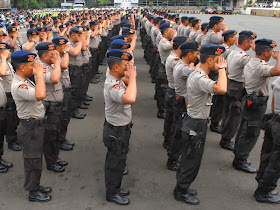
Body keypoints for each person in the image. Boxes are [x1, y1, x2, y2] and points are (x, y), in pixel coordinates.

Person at [174, 44, 227, 205]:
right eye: (217, 61)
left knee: (191, 157)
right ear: (210, 60)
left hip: (195, 121)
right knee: (191, 159)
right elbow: (222, 89)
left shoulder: (198, 73)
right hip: (195, 124)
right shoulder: (200, 77)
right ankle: (181, 190)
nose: (219, 63)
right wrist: (223, 69)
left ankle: (183, 186)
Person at [233, 39, 280, 173]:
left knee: (244, 128)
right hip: (256, 102)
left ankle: (238, 154)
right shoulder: (260, 67)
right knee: (251, 133)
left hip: (249, 97)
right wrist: (279, 58)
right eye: (270, 53)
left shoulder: (251, 62)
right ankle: (240, 160)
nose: (272, 55)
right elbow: (278, 70)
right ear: (265, 53)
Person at [11, 50, 52, 202]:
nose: (34, 67)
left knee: (36, 159)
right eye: (31, 65)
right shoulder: (19, 85)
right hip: (30, 127)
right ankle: (32, 191)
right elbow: (40, 95)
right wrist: (40, 74)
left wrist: (36, 74)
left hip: (35, 126)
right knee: (32, 160)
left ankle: (36, 185)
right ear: (22, 68)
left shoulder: (26, 79)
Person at [103, 49, 136, 205]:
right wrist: (134, 78)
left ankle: (116, 187)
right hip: (116, 130)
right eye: (125, 65)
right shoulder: (112, 85)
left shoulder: (118, 79)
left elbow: (129, 86)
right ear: (116, 67)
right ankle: (112, 192)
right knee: (115, 162)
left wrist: (130, 75)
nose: (127, 68)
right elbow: (130, 98)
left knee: (120, 159)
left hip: (121, 128)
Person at [220, 31, 256, 151]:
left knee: (227, 111)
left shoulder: (232, 52)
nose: (251, 45)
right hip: (237, 86)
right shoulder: (243, 57)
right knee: (235, 115)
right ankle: (226, 139)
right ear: (245, 42)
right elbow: (256, 66)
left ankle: (224, 132)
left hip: (229, 82)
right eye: (251, 43)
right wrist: (257, 51)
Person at [35, 42, 66, 173]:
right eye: (52, 54)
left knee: (56, 133)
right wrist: (57, 62)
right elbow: (54, 79)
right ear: (45, 56)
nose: (55, 55)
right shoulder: (40, 67)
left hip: (56, 105)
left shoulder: (50, 65)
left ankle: (55, 157)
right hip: (49, 106)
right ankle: (51, 162)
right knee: (49, 135)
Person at [253, 76, 280, 204]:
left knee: (267, 155)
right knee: (276, 162)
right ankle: (264, 191)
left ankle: (261, 182)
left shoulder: (278, 81)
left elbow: (274, 103)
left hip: (274, 120)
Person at [165, 35, 189, 169]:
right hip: (175, 93)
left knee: (172, 121)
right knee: (175, 124)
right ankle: (171, 151)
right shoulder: (175, 60)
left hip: (173, 92)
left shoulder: (175, 58)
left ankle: (168, 142)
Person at [52, 37, 75, 151]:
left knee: (65, 117)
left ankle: (62, 138)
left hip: (66, 88)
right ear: (57, 48)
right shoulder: (55, 59)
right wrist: (66, 51)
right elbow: (64, 65)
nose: (66, 47)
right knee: (60, 118)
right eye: (63, 46)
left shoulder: (61, 56)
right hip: (60, 91)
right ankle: (59, 140)